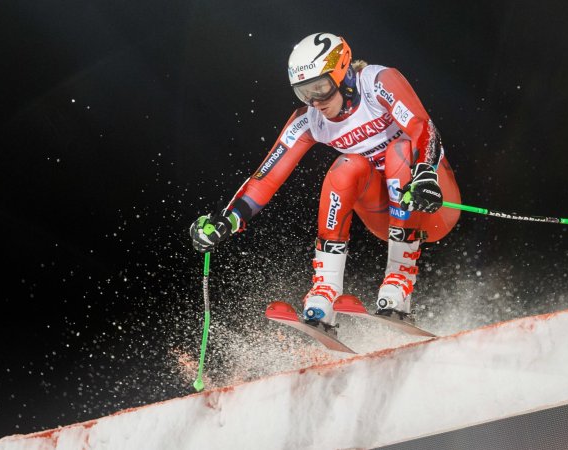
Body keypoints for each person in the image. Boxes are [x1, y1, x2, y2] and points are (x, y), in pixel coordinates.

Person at [190, 32, 461, 336]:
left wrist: (425, 173)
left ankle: (399, 282)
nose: (315, 102)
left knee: (397, 151)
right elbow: (267, 177)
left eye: (320, 88)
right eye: (304, 93)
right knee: (346, 166)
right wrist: (229, 219)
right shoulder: (310, 120)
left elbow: (423, 126)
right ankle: (325, 292)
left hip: (430, 203)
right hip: (387, 217)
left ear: (343, 74)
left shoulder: (377, 83)